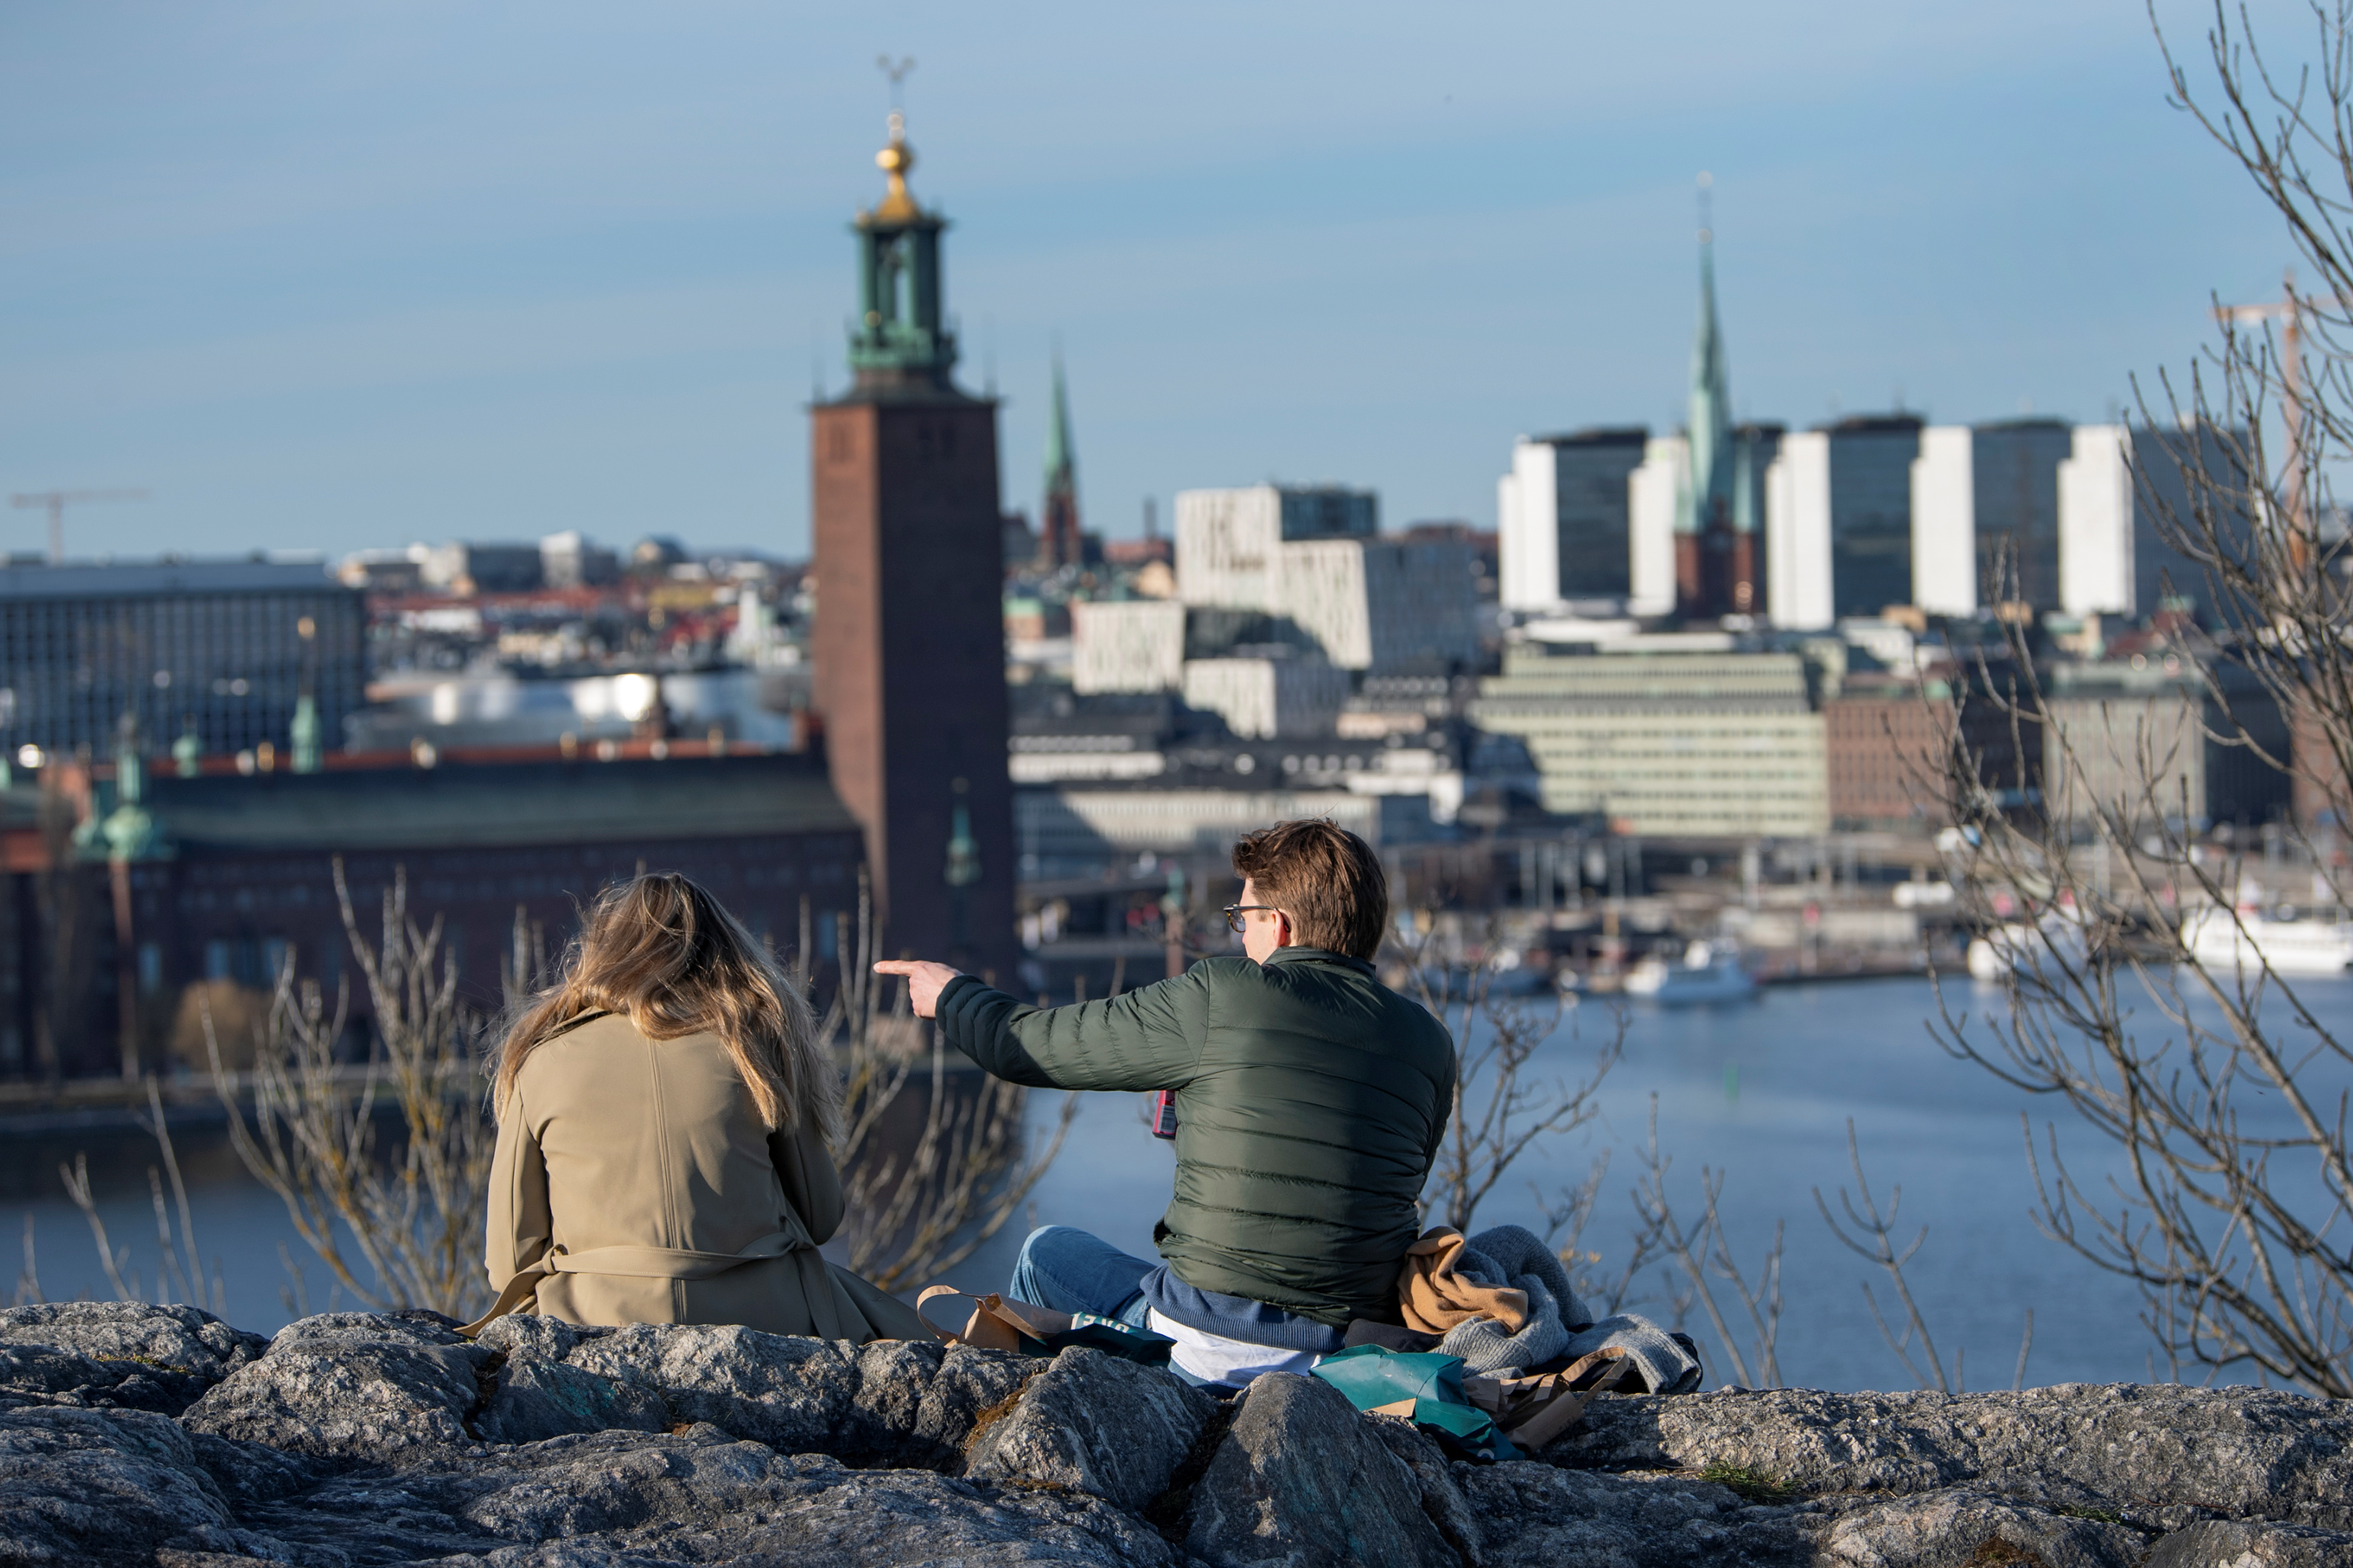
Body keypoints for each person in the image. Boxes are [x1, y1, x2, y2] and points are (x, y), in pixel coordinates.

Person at [876, 818, 1454, 1387]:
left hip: (1210, 1347)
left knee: (1045, 1252)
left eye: (1242, 918)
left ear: (1278, 925)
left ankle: (1053, 1421)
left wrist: (950, 994)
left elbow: (1030, 1046)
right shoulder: (1430, 1042)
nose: (1240, 934)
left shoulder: (1222, 996)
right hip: (1343, 1360)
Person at [477, 873, 923, 1342]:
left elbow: (508, 1262)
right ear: (727, 954)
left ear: (602, 952)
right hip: (764, 1314)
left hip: (592, 1317)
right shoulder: (753, 1049)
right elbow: (821, 1216)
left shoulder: (542, 1059)